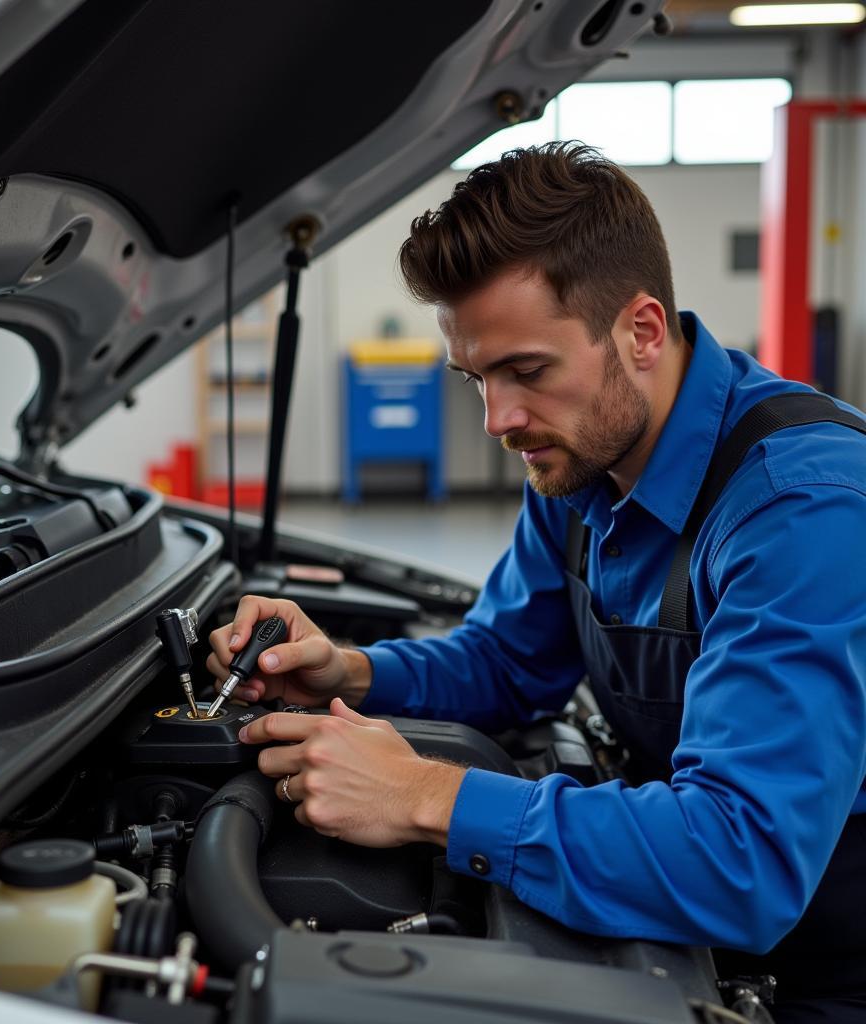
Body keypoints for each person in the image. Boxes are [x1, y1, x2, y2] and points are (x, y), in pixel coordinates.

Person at [206, 143, 866, 1022]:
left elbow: (739, 858)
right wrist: (350, 672)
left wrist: (425, 795)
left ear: (640, 330)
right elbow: (511, 663)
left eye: (526, 371)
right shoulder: (583, 458)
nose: (499, 421)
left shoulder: (805, 511)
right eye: (476, 378)